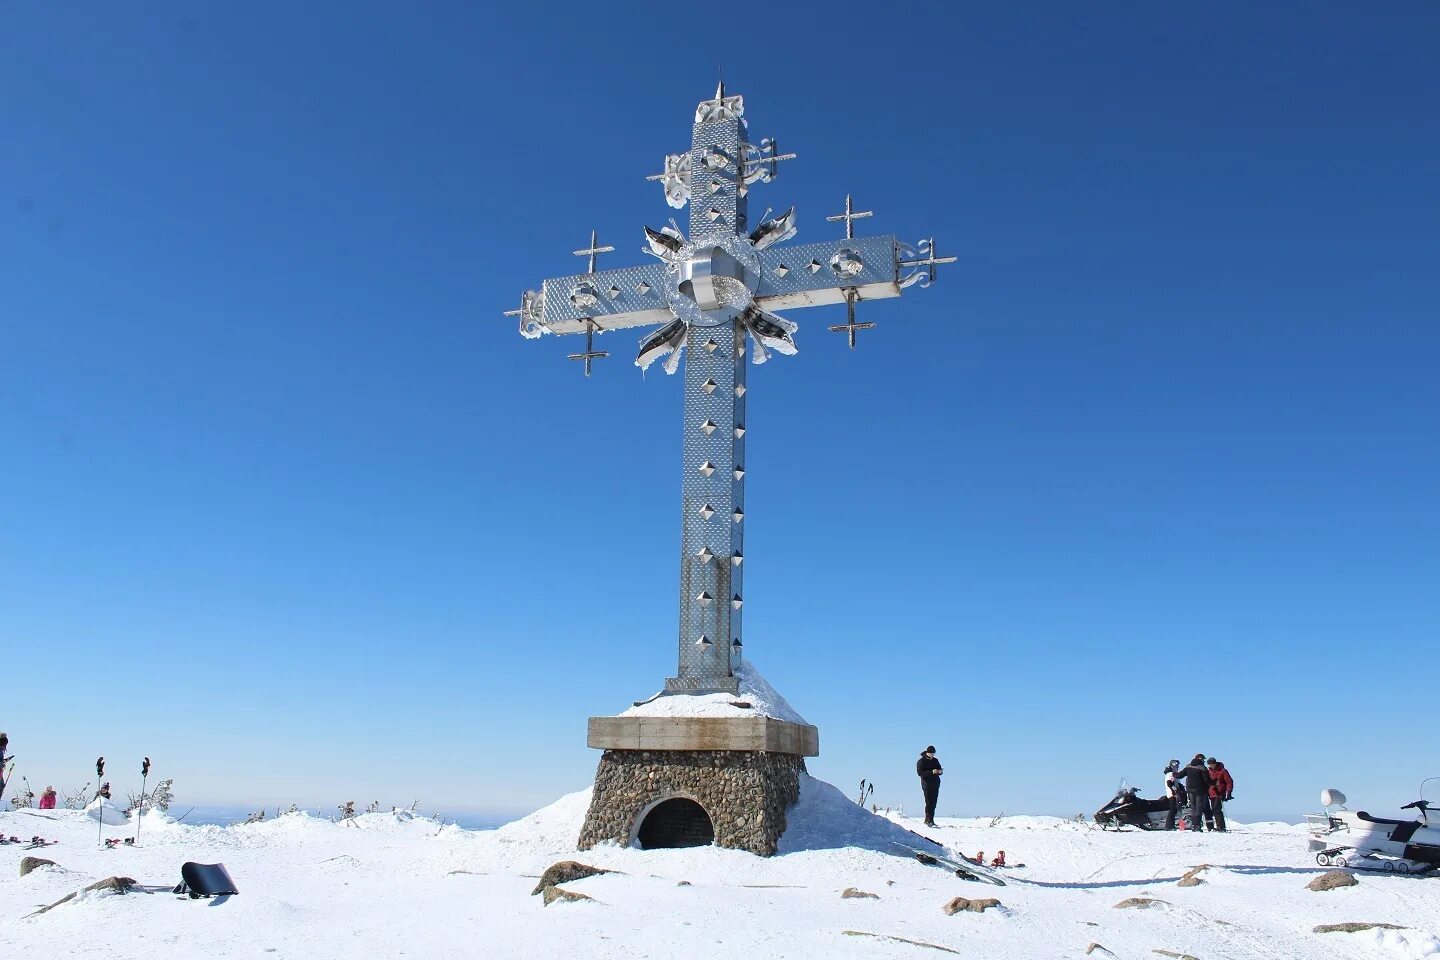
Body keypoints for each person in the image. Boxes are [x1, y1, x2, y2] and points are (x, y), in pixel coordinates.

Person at [1172, 754, 1212, 832]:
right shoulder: (1203, 768)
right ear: (1201, 759)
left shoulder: (1188, 766)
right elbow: (1207, 780)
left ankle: (1194, 825)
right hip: (1200, 790)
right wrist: (1214, 783)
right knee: (1199, 808)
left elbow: (1179, 775)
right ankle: (1197, 825)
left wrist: (1173, 773)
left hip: (1190, 790)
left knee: (1193, 807)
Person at [916, 746, 943, 827]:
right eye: (931, 753)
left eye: (933, 753)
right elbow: (920, 773)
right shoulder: (921, 761)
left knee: (934, 802)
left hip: (935, 783)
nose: (932, 755)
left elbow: (939, 769)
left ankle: (931, 819)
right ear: (927, 752)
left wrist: (940, 771)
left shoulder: (935, 760)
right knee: (928, 802)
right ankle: (927, 820)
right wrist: (931, 772)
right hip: (926, 784)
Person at [1206, 758, 1234, 832]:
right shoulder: (1209, 771)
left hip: (1219, 793)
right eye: (1209, 764)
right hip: (1211, 793)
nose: (1210, 765)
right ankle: (1219, 826)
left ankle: (1221, 827)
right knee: (1214, 810)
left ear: (1215, 763)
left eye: (1211, 764)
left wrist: (1229, 792)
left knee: (1217, 809)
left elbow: (1229, 781)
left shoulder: (1223, 771)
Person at [1163, 759, 1183, 830]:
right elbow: (1169, 783)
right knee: (1172, 810)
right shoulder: (1171, 774)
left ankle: (1171, 825)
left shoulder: (1172, 773)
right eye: (1176, 766)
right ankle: (1169, 826)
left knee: (1174, 810)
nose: (1178, 767)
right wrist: (1175, 791)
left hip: (1173, 793)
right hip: (1172, 794)